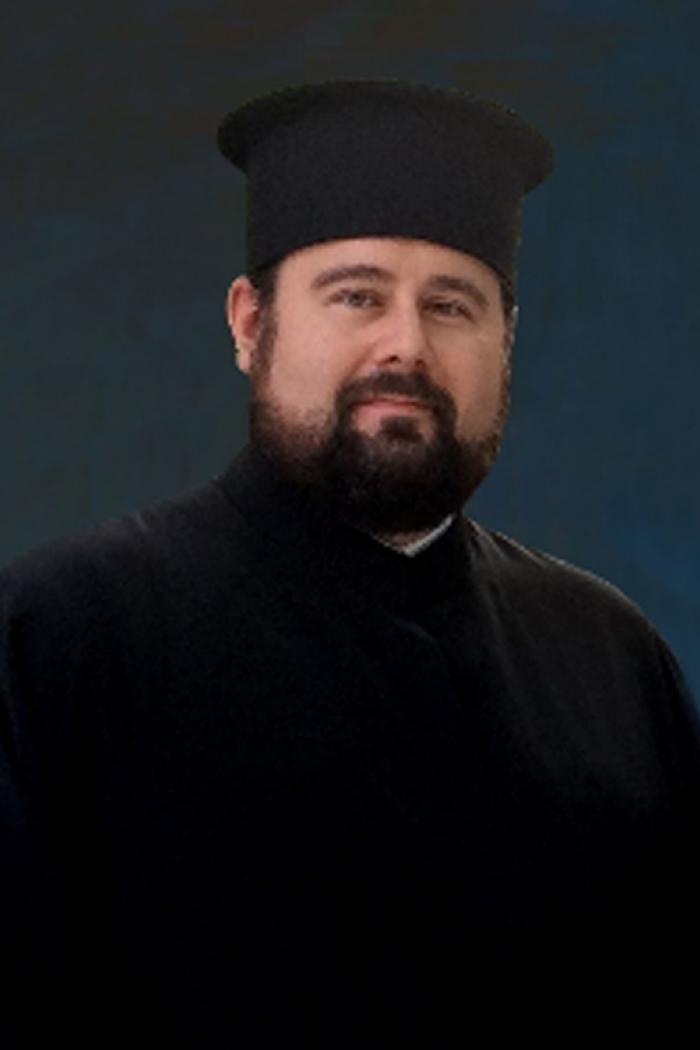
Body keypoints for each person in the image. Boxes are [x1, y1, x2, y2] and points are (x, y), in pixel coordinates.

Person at [1, 77, 698, 1046]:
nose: (403, 346)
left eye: (451, 305)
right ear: (250, 324)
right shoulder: (58, 637)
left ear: (506, 343)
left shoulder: (610, 659)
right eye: (356, 295)